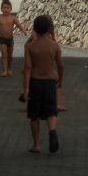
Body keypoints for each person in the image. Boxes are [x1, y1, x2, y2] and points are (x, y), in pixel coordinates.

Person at [22, 14, 64, 154]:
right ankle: (52, 131)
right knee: (51, 111)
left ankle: (37, 145)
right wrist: (60, 80)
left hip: (35, 82)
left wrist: (26, 88)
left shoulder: (30, 47)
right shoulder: (54, 46)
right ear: (48, 29)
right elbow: (60, 65)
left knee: (34, 115)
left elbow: (27, 68)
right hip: (50, 82)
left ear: (34, 28)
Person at [20, 15, 66, 111]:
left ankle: (57, 103)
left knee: (55, 80)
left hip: (45, 61)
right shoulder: (35, 34)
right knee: (28, 74)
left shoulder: (49, 35)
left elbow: (54, 43)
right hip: (36, 60)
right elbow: (27, 44)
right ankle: (26, 93)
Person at [0, 0, 27, 77]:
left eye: (8, 8)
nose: (6, 9)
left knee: (10, 55)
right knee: (4, 55)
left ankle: (9, 68)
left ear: (10, 9)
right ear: (1, 9)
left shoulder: (13, 18)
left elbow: (19, 25)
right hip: (2, 39)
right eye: (4, 7)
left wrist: (24, 31)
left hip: (10, 39)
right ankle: (5, 70)